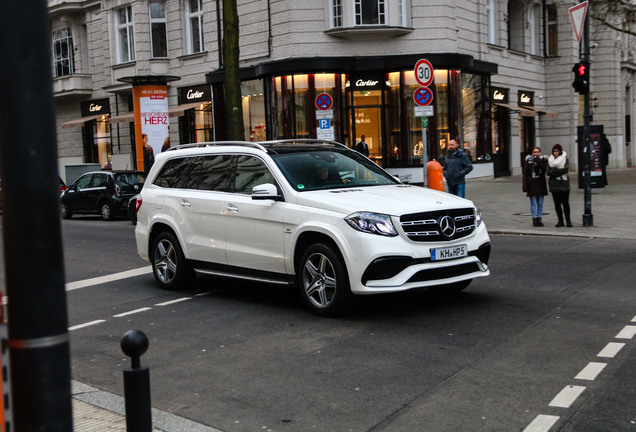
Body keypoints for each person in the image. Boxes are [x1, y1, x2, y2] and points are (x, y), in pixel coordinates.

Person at [547, 143, 572, 227]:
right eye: (554, 151)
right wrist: (557, 171)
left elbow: (565, 169)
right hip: (554, 185)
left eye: (557, 151)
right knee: (557, 204)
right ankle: (560, 221)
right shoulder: (550, 160)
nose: (555, 153)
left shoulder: (565, 159)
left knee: (565, 203)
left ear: (560, 151)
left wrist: (554, 170)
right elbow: (548, 172)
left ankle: (568, 221)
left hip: (564, 185)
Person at [522, 146, 548, 227]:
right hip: (532, 184)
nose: (536, 154)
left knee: (540, 203)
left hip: (541, 184)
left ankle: (539, 219)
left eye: (537, 152)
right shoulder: (528, 161)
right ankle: (534, 219)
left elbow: (545, 168)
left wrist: (538, 161)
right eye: (534, 152)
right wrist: (525, 186)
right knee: (533, 203)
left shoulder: (543, 160)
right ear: (532, 153)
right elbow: (525, 174)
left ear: (540, 153)